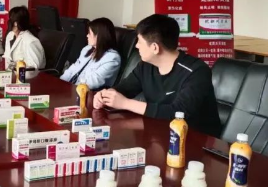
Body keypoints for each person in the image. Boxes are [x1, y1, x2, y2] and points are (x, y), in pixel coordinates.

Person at [94, 14, 222, 137]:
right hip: (159, 133)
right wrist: (104, 95)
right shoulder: (145, 66)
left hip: (195, 140)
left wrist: (125, 103)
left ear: (155, 48)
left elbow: (177, 113)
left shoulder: (196, 71)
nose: (136, 46)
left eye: (139, 41)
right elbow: (124, 89)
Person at [61, 17, 121, 90]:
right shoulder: (87, 49)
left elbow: (92, 83)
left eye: (89, 33)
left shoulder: (112, 58)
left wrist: (69, 89)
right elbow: (73, 68)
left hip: (85, 93)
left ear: (99, 35)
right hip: (70, 88)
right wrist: (60, 83)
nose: (87, 36)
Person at [3, 6, 46, 80]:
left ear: (15, 23)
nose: (8, 21)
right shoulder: (10, 35)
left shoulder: (31, 41)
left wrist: (16, 73)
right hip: (12, 75)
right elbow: (7, 57)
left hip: (28, 79)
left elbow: (33, 69)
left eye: (10, 19)